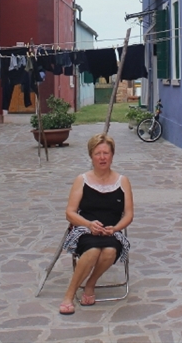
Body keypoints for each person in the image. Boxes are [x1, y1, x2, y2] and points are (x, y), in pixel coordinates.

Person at [59, 133, 134, 315]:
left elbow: (129, 214)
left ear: (112, 155)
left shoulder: (122, 181)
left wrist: (115, 228)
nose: (102, 157)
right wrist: (89, 224)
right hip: (86, 230)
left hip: (111, 232)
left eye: (106, 153)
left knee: (109, 251)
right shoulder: (82, 180)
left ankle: (90, 284)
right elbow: (70, 212)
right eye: (98, 153)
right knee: (92, 251)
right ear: (91, 156)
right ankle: (69, 295)